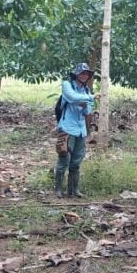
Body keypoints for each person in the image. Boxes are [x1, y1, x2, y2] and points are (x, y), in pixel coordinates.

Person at [54, 63, 96, 198]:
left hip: (80, 130)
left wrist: (85, 105)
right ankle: (58, 189)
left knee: (76, 161)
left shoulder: (86, 90)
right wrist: (90, 98)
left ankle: (73, 190)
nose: (84, 76)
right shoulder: (67, 85)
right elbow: (72, 97)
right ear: (76, 74)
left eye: (86, 74)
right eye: (82, 73)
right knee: (64, 159)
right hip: (67, 128)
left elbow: (87, 111)